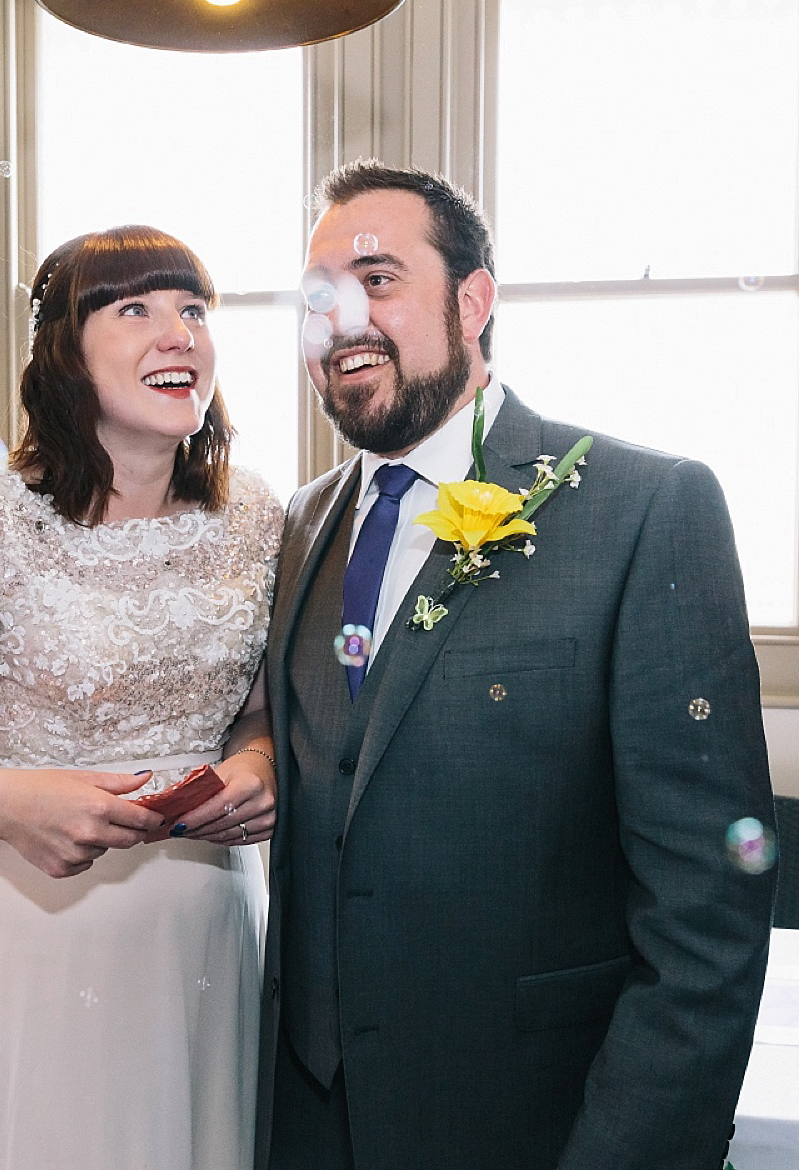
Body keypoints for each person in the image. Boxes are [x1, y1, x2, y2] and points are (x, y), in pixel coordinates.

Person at [256, 161, 776, 1170]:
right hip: (309, 1121)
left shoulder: (642, 510)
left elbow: (705, 918)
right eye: (318, 296)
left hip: (528, 1126)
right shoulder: (297, 528)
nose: (341, 320)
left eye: (378, 279)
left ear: (474, 299)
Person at [0, 225, 283, 1170]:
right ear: (64, 350)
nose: (177, 333)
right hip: (28, 926)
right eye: (135, 308)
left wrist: (256, 765)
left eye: (193, 310)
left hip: (203, 928)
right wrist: (7, 800)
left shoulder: (256, 517)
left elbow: (257, 711)